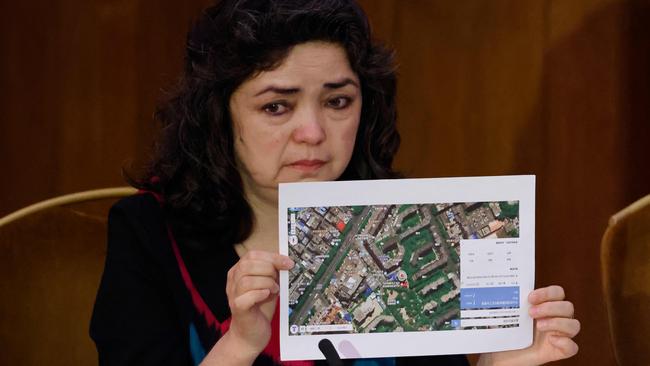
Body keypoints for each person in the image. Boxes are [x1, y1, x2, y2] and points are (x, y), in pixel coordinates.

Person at [90, 1, 580, 365]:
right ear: (218, 115)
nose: (313, 133)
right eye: (276, 106)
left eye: (338, 101)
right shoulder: (149, 229)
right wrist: (239, 345)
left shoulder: (404, 225)